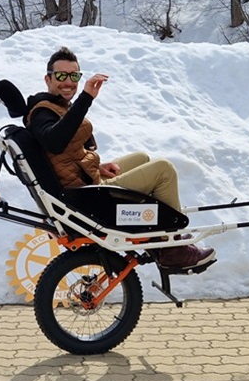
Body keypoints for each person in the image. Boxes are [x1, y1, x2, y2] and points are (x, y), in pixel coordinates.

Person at [25, 46, 215, 270]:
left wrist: (98, 166)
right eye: (61, 75)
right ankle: (171, 249)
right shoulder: (42, 112)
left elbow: (67, 153)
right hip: (85, 197)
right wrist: (85, 98)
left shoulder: (55, 107)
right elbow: (55, 142)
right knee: (163, 170)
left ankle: (155, 237)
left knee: (142, 158)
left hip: (83, 185)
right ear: (48, 78)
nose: (68, 82)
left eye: (74, 76)